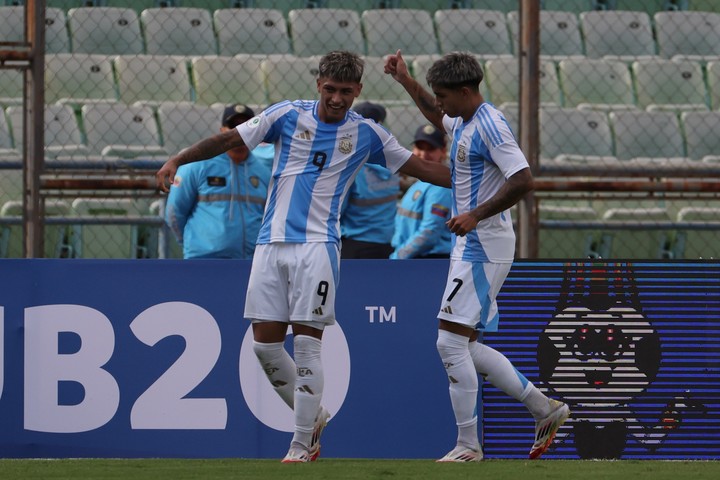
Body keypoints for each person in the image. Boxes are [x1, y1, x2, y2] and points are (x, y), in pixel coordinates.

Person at [156, 51, 451, 463]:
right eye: (330, 89)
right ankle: (312, 416)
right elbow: (228, 140)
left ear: (358, 92)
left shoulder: (367, 134)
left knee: (309, 347)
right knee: (265, 349)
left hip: (319, 247)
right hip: (270, 244)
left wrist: (476, 177)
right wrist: (179, 158)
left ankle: (301, 445)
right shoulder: (286, 116)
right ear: (318, 84)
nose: (336, 99)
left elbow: (424, 171)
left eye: (346, 92)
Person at [385, 50, 570, 462]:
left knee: (448, 343)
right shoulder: (466, 120)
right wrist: (404, 79)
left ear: (466, 91)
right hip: (472, 243)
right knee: (462, 344)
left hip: (484, 242)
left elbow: (523, 180)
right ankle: (545, 409)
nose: (440, 103)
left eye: (444, 95)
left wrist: (475, 214)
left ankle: (469, 445)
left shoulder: (491, 126)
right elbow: (436, 114)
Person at [164, 104, 271, 259]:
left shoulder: (263, 172)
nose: (239, 132)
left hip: (250, 262)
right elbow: (174, 212)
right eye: (233, 126)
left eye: (245, 126)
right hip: (203, 260)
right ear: (222, 131)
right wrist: (191, 244)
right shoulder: (197, 165)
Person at [340, 101, 400, 259]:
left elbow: (338, 209)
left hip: (354, 243)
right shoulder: (393, 165)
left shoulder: (353, 167)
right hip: (386, 243)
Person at [391, 124, 452, 259]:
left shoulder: (440, 186)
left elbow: (429, 232)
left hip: (429, 260)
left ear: (443, 151)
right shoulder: (421, 182)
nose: (424, 154)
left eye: (431, 149)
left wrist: (398, 256)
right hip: (412, 257)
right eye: (420, 148)